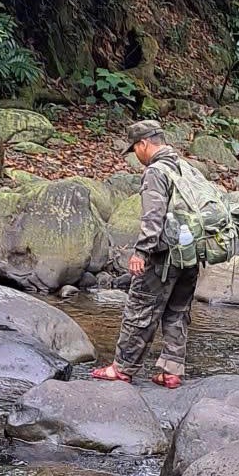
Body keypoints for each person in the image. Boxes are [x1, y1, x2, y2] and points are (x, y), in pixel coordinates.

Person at [92, 120, 197, 389]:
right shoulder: (186, 167)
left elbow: (153, 215)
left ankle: (122, 369)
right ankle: (171, 371)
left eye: (134, 149)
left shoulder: (156, 171)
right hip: (191, 254)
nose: (135, 155)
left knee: (139, 309)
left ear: (144, 144)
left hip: (163, 256)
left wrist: (141, 251)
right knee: (177, 311)